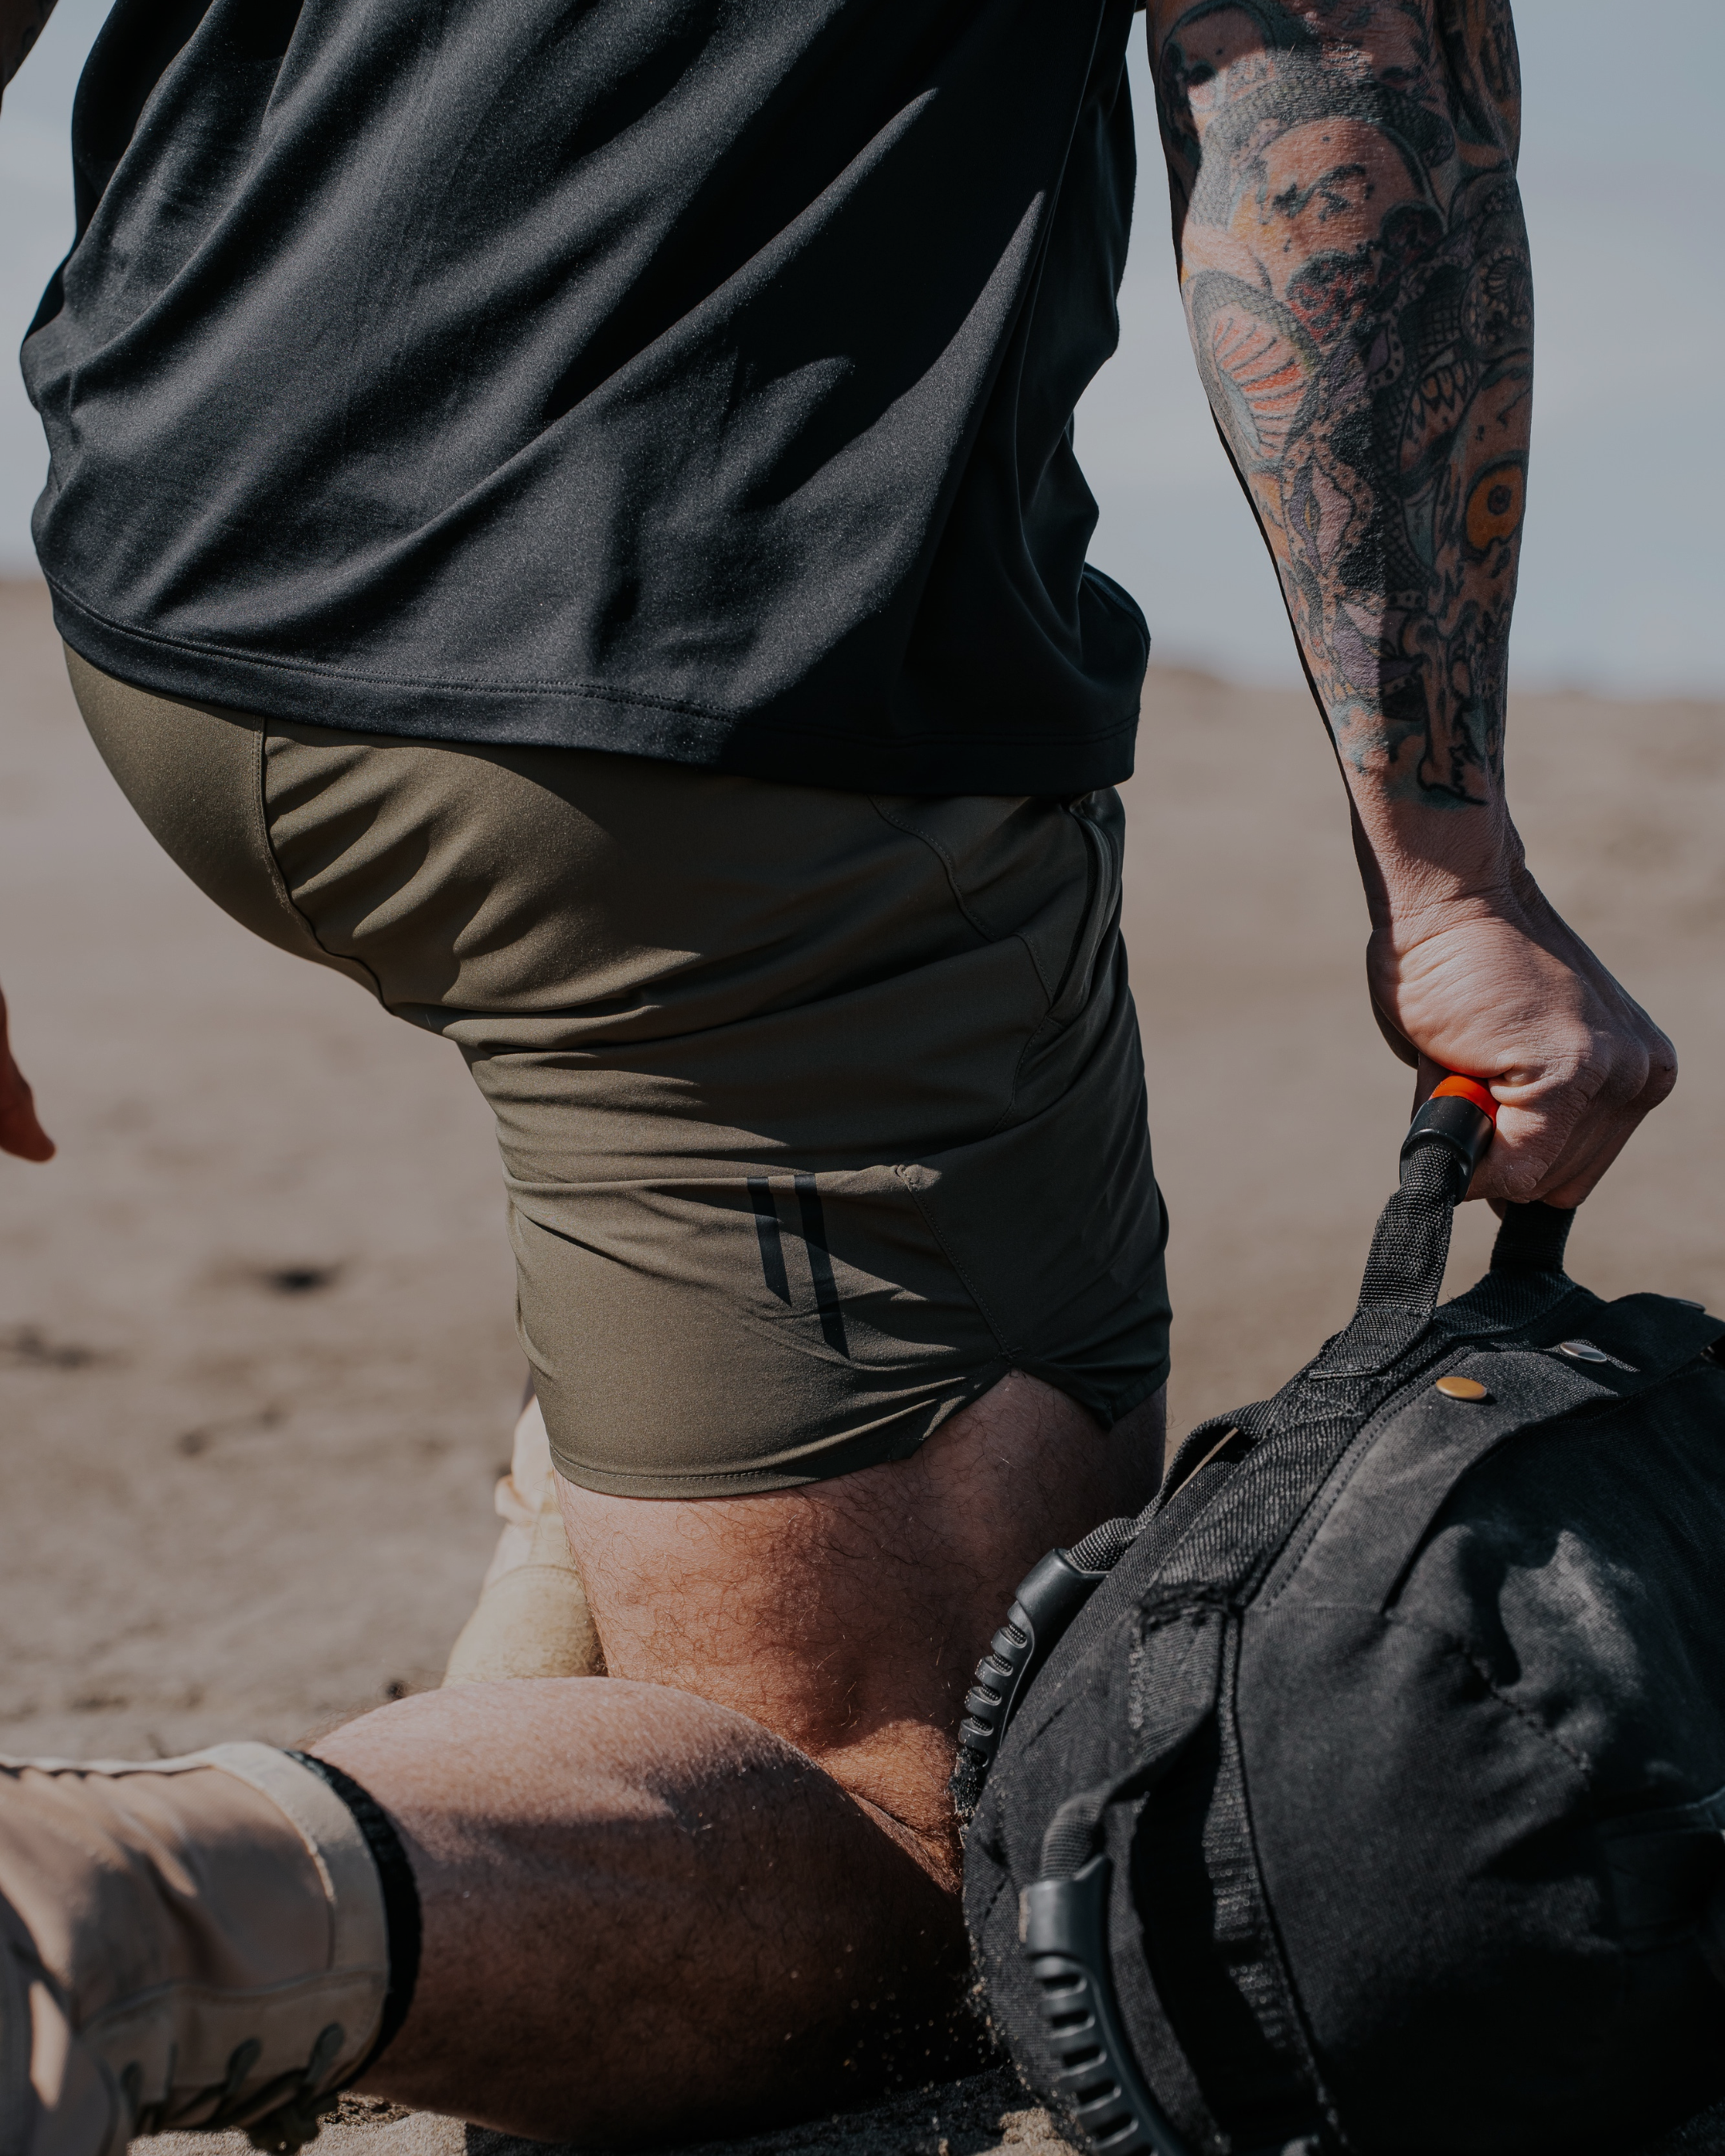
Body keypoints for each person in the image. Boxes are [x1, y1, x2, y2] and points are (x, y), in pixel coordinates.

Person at [0, 2, 1675, 2150]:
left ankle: (641, 1488)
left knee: (693, 1165)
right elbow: (1331, 94)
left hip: (170, 578)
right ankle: (114, 1910)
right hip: (689, 707)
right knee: (940, 1848)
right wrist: (1449, 863)